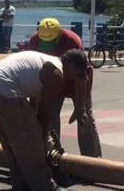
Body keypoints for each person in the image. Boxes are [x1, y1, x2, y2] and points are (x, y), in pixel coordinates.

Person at [0, 49, 90, 191]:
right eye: (76, 74)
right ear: (70, 65)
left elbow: (35, 106)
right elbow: (44, 113)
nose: (73, 79)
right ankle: (43, 187)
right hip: (5, 91)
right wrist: (43, 137)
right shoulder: (56, 74)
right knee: (32, 142)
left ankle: (21, 183)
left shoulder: (47, 63)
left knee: (13, 142)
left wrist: (80, 107)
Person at [25, 17, 101, 157]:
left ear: (59, 34)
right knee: (49, 117)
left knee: (85, 118)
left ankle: (93, 160)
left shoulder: (72, 41)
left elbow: (80, 76)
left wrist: (79, 105)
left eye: (51, 42)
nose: (49, 47)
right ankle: (53, 155)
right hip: (51, 82)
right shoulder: (34, 41)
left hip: (75, 81)